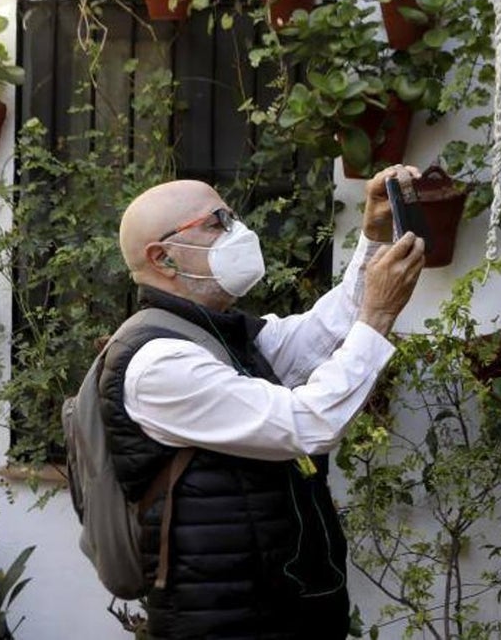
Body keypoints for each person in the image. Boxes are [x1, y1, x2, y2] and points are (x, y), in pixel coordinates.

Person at [101, 168, 426, 639]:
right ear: (163, 259)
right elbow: (308, 424)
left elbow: (322, 332)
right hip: (225, 622)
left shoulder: (218, 334)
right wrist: (378, 316)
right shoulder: (160, 363)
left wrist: (374, 235)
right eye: (217, 223)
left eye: (232, 217)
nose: (239, 233)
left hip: (274, 607)